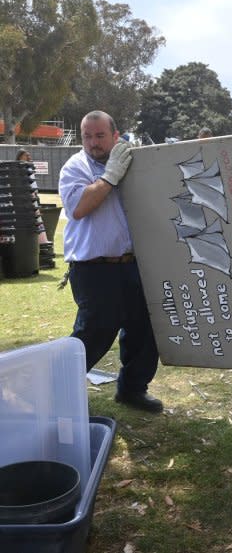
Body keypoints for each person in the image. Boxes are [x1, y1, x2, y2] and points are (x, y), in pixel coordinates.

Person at [58, 110, 162, 413]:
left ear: (115, 136)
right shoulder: (74, 167)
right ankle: (58, 387)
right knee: (95, 331)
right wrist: (109, 176)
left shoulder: (132, 163)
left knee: (143, 328)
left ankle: (132, 389)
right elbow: (79, 208)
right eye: (87, 136)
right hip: (94, 267)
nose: (93, 143)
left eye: (100, 135)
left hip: (132, 263)